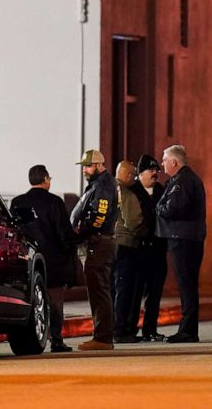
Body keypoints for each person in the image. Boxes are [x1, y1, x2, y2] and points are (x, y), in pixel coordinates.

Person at [10, 165, 79, 353]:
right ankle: (56, 340)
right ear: (46, 179)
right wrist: (71, 248)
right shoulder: (54, 202)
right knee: (55, 303)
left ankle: (33, 338)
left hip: (28, 260)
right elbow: (63, 232)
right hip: (53, 260)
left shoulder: (17, 202)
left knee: (32, 300)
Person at [156, 144, 206, 343]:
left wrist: (158, 207)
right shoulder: (187, 179)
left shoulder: (182, 181)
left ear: (174, 162)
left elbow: (172, 209)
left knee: (186, 286)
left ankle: (188, 331)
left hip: (183, 239)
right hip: (189, 238)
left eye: (165, 160)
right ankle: (188, 329)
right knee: (188, 285)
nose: (162, 164)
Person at [71, 149, 119, 351]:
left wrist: (79, 234)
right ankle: (102, 335)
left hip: (98, 242)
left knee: (99, 290)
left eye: (88, 166)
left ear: (100, 165)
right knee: (98, 289)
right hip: (97, 241)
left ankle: (103, 337)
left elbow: (99, 216)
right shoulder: (97, 185)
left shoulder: (104, 185)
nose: (85, 170)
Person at [130, 154, 168, 341]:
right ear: (140, 173)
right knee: (135, 292)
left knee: (155, 293)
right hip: (138, 249)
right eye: (150, 171)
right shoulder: (133, 191)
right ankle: (130, 329)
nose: (154, 174)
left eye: (156, 171)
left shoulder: (162, 190)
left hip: (158, 249)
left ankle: (150, 330)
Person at [112, 158, 147, 343]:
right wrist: (144, 232)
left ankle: (109, 329)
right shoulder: (126, 194)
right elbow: (134, 222)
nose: (134, 179)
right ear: (125, 175)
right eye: (132, 175)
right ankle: (121, 330)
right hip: (126, 245)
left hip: (108, 245)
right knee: (124, 290)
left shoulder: (104, 190)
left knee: (110, 289)